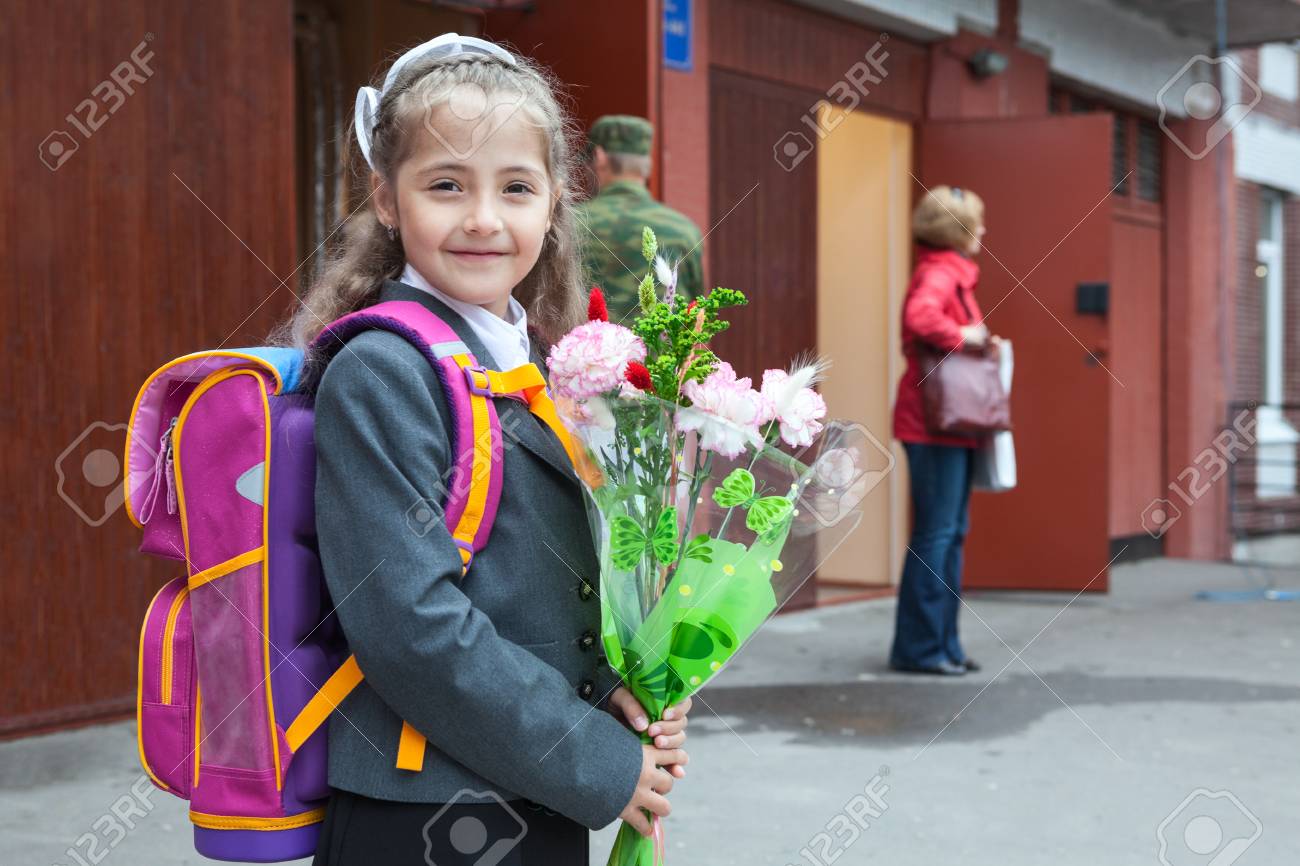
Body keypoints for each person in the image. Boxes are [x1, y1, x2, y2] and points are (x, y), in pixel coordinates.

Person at [278, 34, 693, 864]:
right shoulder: (381, 370)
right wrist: (596, 761)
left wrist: (612, 690)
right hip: (428, 815)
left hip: (527, 790)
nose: (483, 218)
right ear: (386, 200)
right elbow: (410, 628)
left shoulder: (534, 359)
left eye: (515, 188)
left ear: (553, 203)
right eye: (444, 186)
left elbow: (529, 588)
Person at [888, 185, 999, 677]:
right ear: (958, 231)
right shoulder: (940, 272)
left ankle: (944, 644)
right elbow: (920, 318)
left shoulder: (951, 274)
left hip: (948, 425)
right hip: (933, 425)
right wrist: (965, 335)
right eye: (977, 223)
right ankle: (921, 648)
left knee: (949, 534)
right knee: (937, 534)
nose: (984, 231)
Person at [576, 114, 704, 321]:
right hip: (663, 353)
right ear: (648, 164)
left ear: (599, 157)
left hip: (585, 352)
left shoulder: (569, 223)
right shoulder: (684, 230)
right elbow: (697, 311)